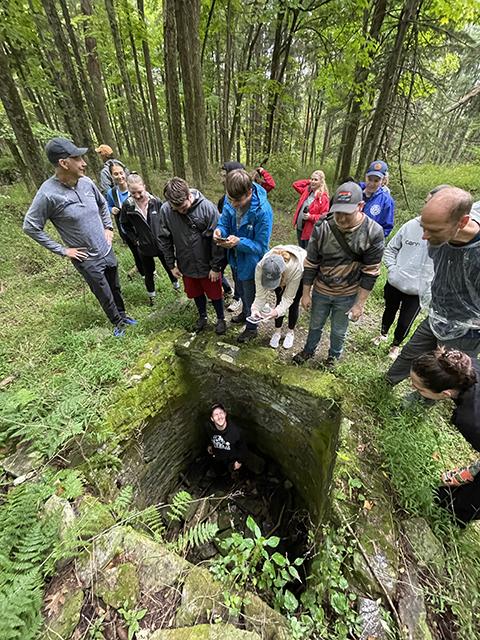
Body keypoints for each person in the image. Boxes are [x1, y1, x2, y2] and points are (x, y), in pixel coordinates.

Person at [23, 137, 136, 337]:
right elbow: (31, 227)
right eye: (78, 158)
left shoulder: (86, 182)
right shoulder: (48, 195)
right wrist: (63, 250)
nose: (84, 163)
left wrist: (108, 228)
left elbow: (103, 205)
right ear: (63, 163)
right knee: (102, 291)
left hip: (106, 248)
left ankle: (124, 315)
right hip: (86, 258)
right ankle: (117, 323)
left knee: (115, 286)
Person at [386, 187, 480, 386]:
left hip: (467, 330)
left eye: (434, 230)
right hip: (437, 315)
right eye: (423, 227)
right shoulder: (436, 236)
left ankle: (423, 401)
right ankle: (386, 383)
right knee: (410, 352)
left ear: (462, 222)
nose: (425, 236)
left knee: (447, 373)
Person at [293, 181, 384, 366]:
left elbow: (371, 272)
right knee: (315, 325)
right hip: (321, 288)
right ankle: (308, 350)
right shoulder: (323, 225)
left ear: (360, 206)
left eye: (346, 213)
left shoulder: (373, 232)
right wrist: (305, 293)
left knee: (338, 330)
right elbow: (311, 262)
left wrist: (359, 304)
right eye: (338, 212)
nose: (341, 218)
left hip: (347, 293)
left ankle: (333, 357)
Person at [372, 187, 446, 360]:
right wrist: (393, 269)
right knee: (389, 310)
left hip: (418, 290)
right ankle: (382, 334)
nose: (426, 208)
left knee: (406, 320)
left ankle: (395, 345)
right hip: (396, 282)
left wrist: (430, 283)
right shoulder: (411, 225)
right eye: (426, 203)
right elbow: (391, 249)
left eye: (431, 204)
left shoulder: (446, 235)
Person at [410, 348, 480, 526]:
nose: (414, 389)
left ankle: (453, 519)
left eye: (419, 389)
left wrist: (471, 473)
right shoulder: (466, 366)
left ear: (445, 393)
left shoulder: (470, 420)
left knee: (469, 501)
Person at [158, 177, 227, 334]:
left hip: (208, 264)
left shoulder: (208, 208)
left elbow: (218, 241)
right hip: (186, 263)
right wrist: (171, 264)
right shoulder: (166, 210)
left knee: (215, 293)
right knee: (195, 292)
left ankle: (220, 318)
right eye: (176, 209)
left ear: (189, 195)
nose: (180, 211)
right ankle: (202, 317)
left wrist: (216, 267)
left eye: (183, 207)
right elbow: (164, 238)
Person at [214, 169, 273, 343]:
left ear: (249, 192)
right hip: (235, 258)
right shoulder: (230, 198)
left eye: (238, 201)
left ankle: (252, 327)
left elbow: (261, 247)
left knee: (250, 295)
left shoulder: (263, 212)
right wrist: (220, 231)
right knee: (239, 290)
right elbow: (224, 221)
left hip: (252, 263)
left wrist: (239, 242)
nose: (232, 204)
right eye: (230, 199)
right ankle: (245, 314)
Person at [119, 173, 179, 306]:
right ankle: (152, 298)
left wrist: (168, 237)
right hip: (144, 246)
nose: (137, 196)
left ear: (144, 187)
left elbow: (166, 219)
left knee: (170, 267)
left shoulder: (155, 201)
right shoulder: (128, 205)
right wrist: (135, 240)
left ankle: (177, 289)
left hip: (161, 244)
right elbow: (125, 225)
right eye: (133, 192)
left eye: (139, 192)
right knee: (148, 273)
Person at [249, 245, 306, 349]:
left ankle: (290, 333)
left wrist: (276, 312)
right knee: (279, 300)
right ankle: (277, 332)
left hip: (299, 273)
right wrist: (255, 309)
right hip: (279, 272)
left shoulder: (296, 268)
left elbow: (288, 298)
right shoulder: (261, 267)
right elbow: (260, 294)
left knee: (293, 304)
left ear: (281, 275)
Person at [106, 163, 145, 279]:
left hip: (140, 228)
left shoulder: (133, 188)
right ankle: (143, 273)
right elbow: (108, 205)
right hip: (126, 230)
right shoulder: (111, 193)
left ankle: (150, 271)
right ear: (112, 176)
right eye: (115, 174)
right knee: (135, 252)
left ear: (125, 173)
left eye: (121, 173)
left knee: (143, 251)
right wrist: (111, 209)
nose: (119, 176)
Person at [218, 161, 244, 312]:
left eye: (224, 175)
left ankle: (240, 299)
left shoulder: (249, 200)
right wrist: (220, 230)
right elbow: (222, 220)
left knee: (241, 276)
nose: (222, 179)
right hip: (227, 244)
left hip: (240, 245)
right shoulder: (223, 199)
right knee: (233, 272)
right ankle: (234, 294)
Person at [205, 403, 247, 476]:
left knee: (233, 473)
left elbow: (243, 448)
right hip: (218, 457)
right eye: (216, 415)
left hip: (231, 459)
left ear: (225, 414)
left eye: (221, 413)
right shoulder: (209, 427)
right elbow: (209, 436)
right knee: (218, 469)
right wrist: (209, 444)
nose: (219, 417)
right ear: (212, 419)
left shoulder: (236, 431)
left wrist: (239, 461)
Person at [292, 170, 330, 249]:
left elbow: (324, 216)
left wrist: (311, 217)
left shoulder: (323, 198)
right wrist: (309, 181)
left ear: (321, 182)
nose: (313, 181)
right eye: (312, 179)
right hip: (300, 228)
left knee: (307, 253)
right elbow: (295, 185)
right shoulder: (307, 191)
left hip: (310, 231)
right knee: (301, 249)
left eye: (316, 180)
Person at [361, 160, 395, 237]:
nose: (372, 184)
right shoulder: (356, 191)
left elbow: (387, 227)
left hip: (370, 242)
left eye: (376, 180)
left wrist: (373, 240)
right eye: (369, 179)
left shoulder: (386, 201)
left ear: (383, 181)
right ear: (365, 177)